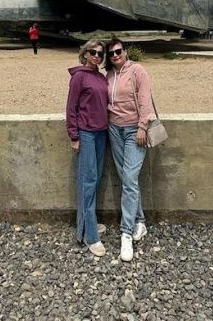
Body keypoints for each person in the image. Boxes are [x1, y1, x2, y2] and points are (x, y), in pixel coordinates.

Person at [104, 38, 154, 262]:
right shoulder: (109, 75)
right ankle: (140, 222)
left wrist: (142, 127)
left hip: (134, 130)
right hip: (114, 130)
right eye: (111, 53)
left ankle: (126, 233)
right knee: (127, 179)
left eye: (118, 51)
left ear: (125, 51)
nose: (115, 55)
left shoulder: (137, 71)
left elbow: (145, 101)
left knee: (130, 179)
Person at [66, 39, 109, 256]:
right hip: (87, 134)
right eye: (93, 52)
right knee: (88, 182)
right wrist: (74, 136)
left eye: (100, 53)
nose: (97, 56)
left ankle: (85, 223)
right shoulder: (79, 77)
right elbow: (71, 107)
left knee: (95, 179)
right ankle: (90, 236)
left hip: (102, 133)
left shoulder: (101, 77)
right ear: (85, 54)